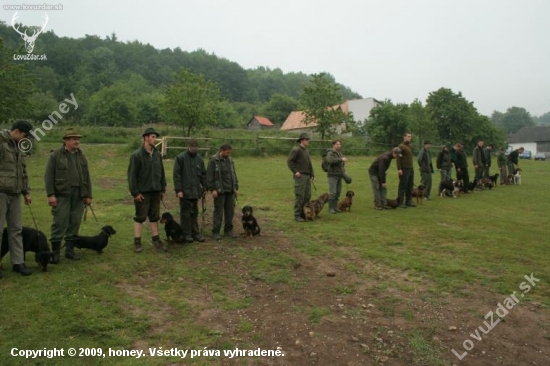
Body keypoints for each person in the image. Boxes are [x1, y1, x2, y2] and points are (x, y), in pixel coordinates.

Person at [44, 128, 92, 262]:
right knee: (60, 221)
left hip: (79, 194)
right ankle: (55, 253)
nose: (77, 141)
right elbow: (48, 176)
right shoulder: (56, 155)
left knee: (75, 221)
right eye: (74, 139)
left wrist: (88, 195)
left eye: (78, 139)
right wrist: (50, 194)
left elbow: (87, 177)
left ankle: (69, 250)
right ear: (66, 141)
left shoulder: (81, 155)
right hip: (61, 194)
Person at [0, 120, 33, 276]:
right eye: (25, 135)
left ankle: (18, 262)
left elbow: (22, 170)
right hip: (1, 192)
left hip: (15, 194)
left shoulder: (18, 147)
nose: (25, 138)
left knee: (16, 229)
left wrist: (26, 191)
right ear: (17, 131)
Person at [128, 128, 167, 253]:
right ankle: (137, 242)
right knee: (140, 217)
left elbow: (161, 172)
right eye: (152, 136)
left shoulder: (157, 154)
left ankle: (156, 239)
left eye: (155, 137)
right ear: (145, 138)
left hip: (155, 191)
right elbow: (132, 175)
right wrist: (135, 193)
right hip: (142, 192)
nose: (154, 139)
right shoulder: (137, 155)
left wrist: (162, 189)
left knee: (154, 217)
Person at [173, 138, 206, 243]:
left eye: (196, 148)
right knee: (185, 213)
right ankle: (186, 233)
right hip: (184, 191)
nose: (194, 149)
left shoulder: (199, 159)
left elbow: (203, 175)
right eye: (192, 147)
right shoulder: (180, 158)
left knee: (194, 213)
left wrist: (204, 188)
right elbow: (177, 176)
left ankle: (195, 233)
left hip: (196, 191)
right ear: (188, 146)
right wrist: (179, 190)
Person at [206, 143, 239, 240]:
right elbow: (209, 176)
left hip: (230, 190)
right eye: (227, 152)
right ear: (222, 150)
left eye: (230, 152)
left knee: (230, 212)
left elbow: (234, 174)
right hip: (219, 191)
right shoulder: (213, 161)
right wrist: (212, 189)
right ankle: (215, 232)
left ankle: (228, 231)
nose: (229, 154)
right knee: (218, 212)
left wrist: (235, 187)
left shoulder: (230, 160)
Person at [287, 133, 314, 221]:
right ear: (302, 140)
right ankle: (297, 215)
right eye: (306, 139)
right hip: (300, 176)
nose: (308, 141)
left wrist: (312, 174)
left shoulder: (306, 151)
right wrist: (295, 172)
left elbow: (309, 164)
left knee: (307, 196)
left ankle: (304, 213)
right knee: (300, 196)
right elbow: (289, 161)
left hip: (307, 176)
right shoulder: (297, 150)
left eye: (308, 139)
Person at [325, 139, 348, 214]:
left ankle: (335, 207)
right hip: (332, 175)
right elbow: (330, 160)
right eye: (337, 144)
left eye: (340, 144)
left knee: (338, 192)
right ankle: (331, 208)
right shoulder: (330, 152)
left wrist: (344, 171)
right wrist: (341, 159)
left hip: (339, 175)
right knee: (333, 193)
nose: (339, 146)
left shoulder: (339, 153)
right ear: (333, 145)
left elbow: (341, 165)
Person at [396, 132, 415, 208]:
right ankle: (400, 201)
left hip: (410, 168)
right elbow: (398, 158)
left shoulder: (410, 146)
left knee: (410, 185)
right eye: (408, 136)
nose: (409, 138)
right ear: (404, 137)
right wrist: (399, 169)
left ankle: (408, 201)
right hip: (404, 168)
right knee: (403, 185)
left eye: (410, 137)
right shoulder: (401, 146)